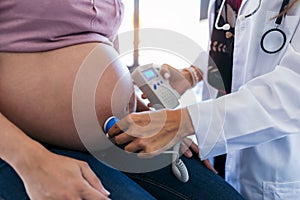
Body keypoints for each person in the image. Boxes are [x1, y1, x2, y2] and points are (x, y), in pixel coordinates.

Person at [0, 0, 244, 199]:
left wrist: (153, 122)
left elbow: (101, 45)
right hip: (22, 145)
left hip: (112, 137)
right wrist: (33, 162)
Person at [108, 0, 300, 199]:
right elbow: (233, 42)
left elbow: (293, 92)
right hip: (219, 158)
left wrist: (182, 122)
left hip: (273, 171)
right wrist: (193, 74)